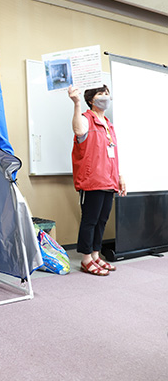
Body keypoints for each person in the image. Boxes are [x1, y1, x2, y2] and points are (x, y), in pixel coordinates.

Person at [68, 84, 126, 276]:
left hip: (109, 180)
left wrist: (119, 177)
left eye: (107, 94)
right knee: (90, 220)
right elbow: (78, 131)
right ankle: (85, 260)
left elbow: (113, 154)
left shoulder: (108, 124)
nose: (106, 97)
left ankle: (95, 255)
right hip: (92, 180)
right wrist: (76, 103)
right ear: (91, 100)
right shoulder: (86, 119)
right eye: (101, 94)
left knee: (102, 220)